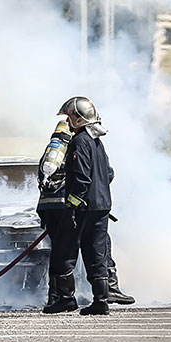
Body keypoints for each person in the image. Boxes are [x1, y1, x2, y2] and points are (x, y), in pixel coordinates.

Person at [42, 96, 115, 316]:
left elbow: (81, 177)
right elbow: (108, 174)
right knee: (95, 253)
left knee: (63, 252)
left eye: (69, 115)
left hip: (82, 207)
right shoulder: (97, 142)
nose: (67, 120)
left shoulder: (80, 141)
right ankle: (101, 301)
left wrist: (72, 206)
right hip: (101, 207)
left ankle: (65, 299)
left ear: (77, 117)